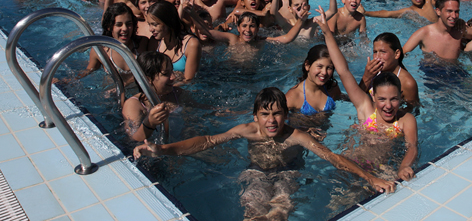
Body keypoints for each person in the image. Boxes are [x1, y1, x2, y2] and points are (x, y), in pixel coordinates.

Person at [133, 87, 396, 220]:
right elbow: (206, 141)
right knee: (254, 212)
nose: (271, 121)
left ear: (286, 114)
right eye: (265, 114)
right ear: (255, 116)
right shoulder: (248, 130)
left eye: (277, 114)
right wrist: (163, 150)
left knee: (279, 212)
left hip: (287, 174)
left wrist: (370, 178)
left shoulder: (296, 136)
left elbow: (332, 158)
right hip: (256, 173)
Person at [316, 9, 418, 181]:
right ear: (374, 97)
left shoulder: (405, 120)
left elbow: (412, 147)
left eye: (393, 99)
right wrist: (327, 33)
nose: (387, 105)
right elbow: (343, 71)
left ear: (401, 98)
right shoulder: (367, 110)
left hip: (379, 172)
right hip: (350, 167)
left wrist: (404, 166)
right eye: (382, 99)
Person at [122, 52, 186, 142]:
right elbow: (133, 139)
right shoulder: (134, 104)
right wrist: (150, 123)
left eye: (172, 71)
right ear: (148, 79)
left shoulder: (177, 93)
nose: (173, 77)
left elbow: (198, 110)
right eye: (166, 73)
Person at [82, 3, 150, 87]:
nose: (125, 28)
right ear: (109, 27)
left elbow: (152, 70)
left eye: (129, 24)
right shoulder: (101, 51)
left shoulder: (143, 43)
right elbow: (88, 71)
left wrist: (127, 82)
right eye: (119, 24)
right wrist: (71, 80)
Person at [402, 0, 467, 61]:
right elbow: (400, 54)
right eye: (449, 11)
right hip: (431, 69)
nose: (454, 16)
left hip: (456, 69)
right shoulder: (424, 33)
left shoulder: (460, 29)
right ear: (438, 11)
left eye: (456, 12)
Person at [147, 1, 202, 82]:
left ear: (168, 22)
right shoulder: (154, 42)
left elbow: (189, 81)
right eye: (149, 24)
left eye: (155, 24)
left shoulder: (191, 44)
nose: (150, 29)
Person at [359, 33, 419, 106]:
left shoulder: (407, 83)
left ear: (396, 54)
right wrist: (366, 77)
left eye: (383, 52)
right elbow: (356, 99)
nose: (377, 57)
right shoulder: (372, 73)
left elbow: (412, 109)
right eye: (375, 52)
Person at [286, 45, 341, 115]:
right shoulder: (293, 97)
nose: (324, 72)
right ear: (307, 65)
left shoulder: (332, 88)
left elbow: (352, 102)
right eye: (320, 66)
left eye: (329, 68)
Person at [271, 0, 337, 39]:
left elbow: (332, 11)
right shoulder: (287, 24)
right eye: (296, 5)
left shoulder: (312, 23)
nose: (300, 7)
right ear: (290, 9)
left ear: (308, 8)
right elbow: (273, 12)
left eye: (304, 4)